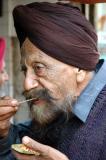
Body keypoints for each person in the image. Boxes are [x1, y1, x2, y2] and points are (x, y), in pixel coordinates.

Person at [0, 2, 106, 160]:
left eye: (39, 68)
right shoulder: (61, 103)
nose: (27, 84)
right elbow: (26, 141)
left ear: (79, 68)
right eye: (25, 70)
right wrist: (4, 133)